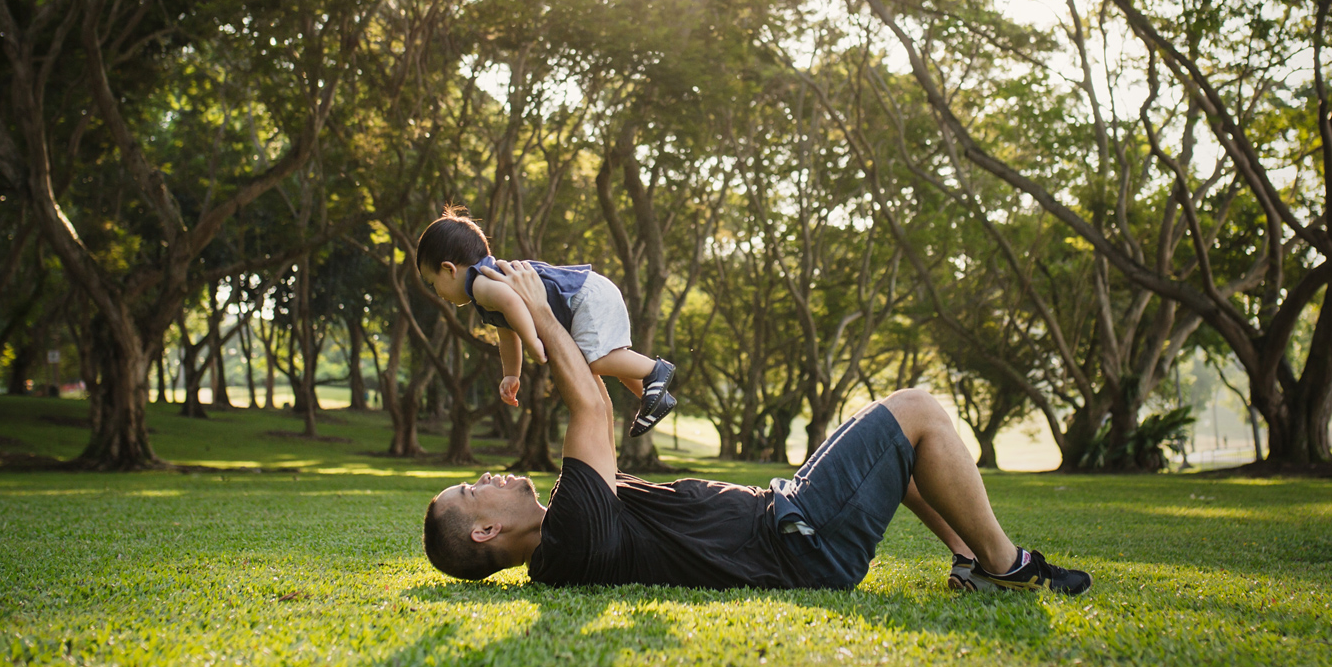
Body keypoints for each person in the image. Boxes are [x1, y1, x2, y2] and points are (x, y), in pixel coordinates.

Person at [423, 259, 1092, 595]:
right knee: (915, 409)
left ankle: (970, 562)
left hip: (785, 517)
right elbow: (593, 409)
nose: (486, 476)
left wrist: (553, 322)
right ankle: (1009, 567)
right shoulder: (567, 537)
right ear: (485, 530)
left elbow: (590, 391)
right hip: (797, 543)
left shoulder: (564, 542)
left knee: (886, 434)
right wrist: (537, 314)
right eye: (471, 489)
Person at [415, 208, 677, 438]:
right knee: (613, 358)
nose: (436, 291)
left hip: (583, 297)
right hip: (591, 290)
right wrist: (511, 374)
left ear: (449, 269)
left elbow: (512, 303)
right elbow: (507, 336)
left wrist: (532, 342)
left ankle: (656, 369)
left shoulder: (480, 282)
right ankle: (654, 396)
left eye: (432, 282)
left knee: (595, 361)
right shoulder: (487, 284)